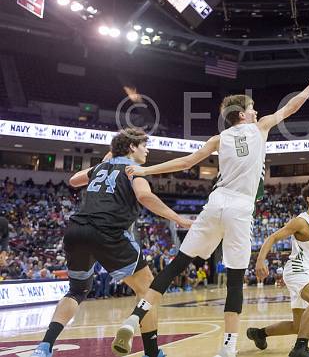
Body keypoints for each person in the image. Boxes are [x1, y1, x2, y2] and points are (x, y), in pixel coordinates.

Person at [112, 69, 309, 357]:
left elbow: (186, 162)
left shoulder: (219, 138)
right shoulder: (261, 127)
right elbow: (292, 106)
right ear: (242, 114)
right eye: (252, 109)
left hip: (215, 203)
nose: (256, 113)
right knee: (236, 280)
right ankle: (227, 349)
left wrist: (145, 170)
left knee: (177, 264)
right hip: (240, 207)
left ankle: (135, 317)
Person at [31, 129, 192, 357]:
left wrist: (106, 160)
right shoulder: (133, 171)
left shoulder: (100, 168)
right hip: (107, 232)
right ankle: (152, 351)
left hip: (76, 230)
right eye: (144, 145)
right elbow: (144, 197)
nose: (147, 150)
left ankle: (43, 347)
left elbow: (74, 180)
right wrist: (178, 219)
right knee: (148, 290)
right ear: (132, 148)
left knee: (76, 291)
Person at [246, 184, 309, 357]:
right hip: (298, 269)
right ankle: (300, 349)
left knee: (297, 327)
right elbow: (273, 237)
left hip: (306, 271)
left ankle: (259, 334)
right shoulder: (301, 221)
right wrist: (261, 260)